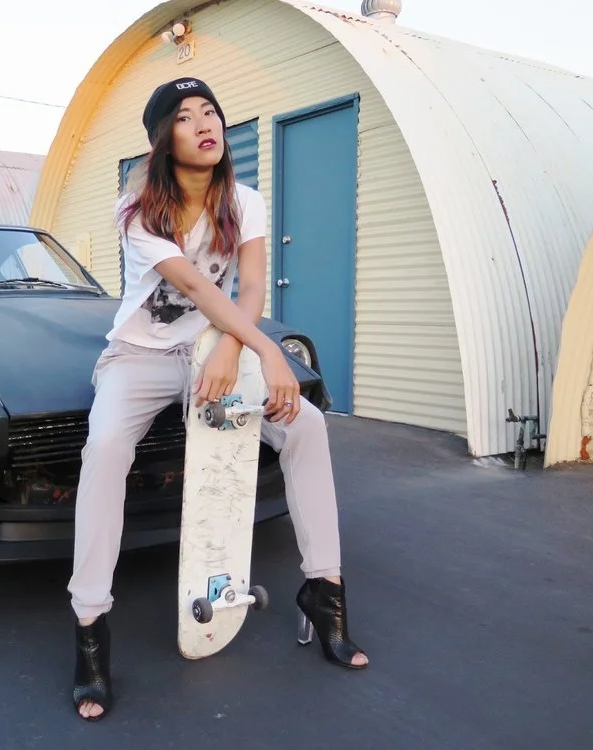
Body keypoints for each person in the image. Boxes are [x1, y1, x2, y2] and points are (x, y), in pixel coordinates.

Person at [67, 77, 368, 722]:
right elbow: (199, 289)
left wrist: (234, 348)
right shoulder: (136, 210)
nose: (205, 124)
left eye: (211, 112)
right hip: (140, 354)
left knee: (306, 425)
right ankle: (90, 625)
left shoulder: (244, 200)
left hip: (213, 348)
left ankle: (325, 591)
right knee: (106, 449)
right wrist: (266, 351)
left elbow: (250, 287)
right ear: (163, 139)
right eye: (185, 116)